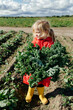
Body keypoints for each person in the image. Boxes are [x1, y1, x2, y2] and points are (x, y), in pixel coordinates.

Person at [23, 19, 55, 105]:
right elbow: (29, 52)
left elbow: (50, 55)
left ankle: (41, 95)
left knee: (41, 81)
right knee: (32, 80)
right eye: (35, 32)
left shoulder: (49, 43)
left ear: (46, 31)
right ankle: (30, 94)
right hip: (34, 67)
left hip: (43, 67)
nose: (37, 34)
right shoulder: (34, 41)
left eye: (39, 32)